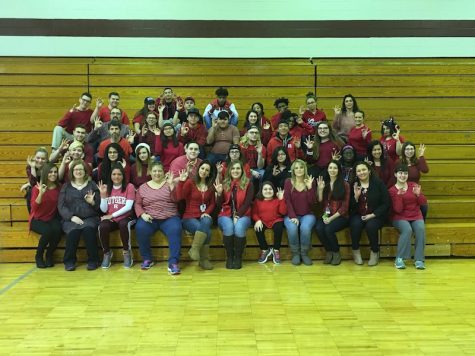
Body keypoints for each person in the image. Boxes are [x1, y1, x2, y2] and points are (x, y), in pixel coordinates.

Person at [134, 162, 182, 274]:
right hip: (150, 218)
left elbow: (176, 200)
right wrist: (142, 214)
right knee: (140, 227)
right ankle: (147, 259)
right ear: (150, 172)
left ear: (163, 172)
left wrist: (171, 187)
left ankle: (173, 262)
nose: (157, 173)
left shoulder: (170, 184)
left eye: (159, 171)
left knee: (176, 229)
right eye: (154, 171)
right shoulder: (143, 187)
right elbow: (137, 204)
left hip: (169, 217)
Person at [58, 160, 101, 271]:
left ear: (85, 171)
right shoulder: (66, 186)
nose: (78, 171)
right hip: (71, 219)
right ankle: (69, 261)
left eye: (81, 169)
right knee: (73, 232)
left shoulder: (92, 185)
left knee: (89, 231)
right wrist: (72, 217)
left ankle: (93, 260)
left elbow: (98, 206)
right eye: (76, 169)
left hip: (90, 217)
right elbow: (61, 206)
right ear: (72, 172)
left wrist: (92, 202)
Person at [176, 160, 217, 270]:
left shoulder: (211, 186)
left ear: (209, 173)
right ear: (198, 169)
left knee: (207, 221)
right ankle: (203, 259)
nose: (204, 171)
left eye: (207, 170)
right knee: (206, 231)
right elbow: (180, 197)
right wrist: (181, 182)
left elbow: (212, 203)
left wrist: (206, 212)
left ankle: (195, 249)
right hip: (189, 217)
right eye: (202, 168)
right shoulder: (190, 182)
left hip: (203, 216)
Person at [349, 161, 390, 266]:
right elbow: (349, 207)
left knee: (371, 226)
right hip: (358, 214)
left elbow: (386, 203)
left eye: (363, 170)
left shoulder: (378, 184)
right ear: (356, 173)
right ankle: (356, 251)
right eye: (359, 171)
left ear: (369, 171)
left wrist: (373, 215)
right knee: (355, 224)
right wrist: (356, 197)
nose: (361, 172)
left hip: (376, 215)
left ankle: (374, 252)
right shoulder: (353, 185)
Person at [215, 161, 254, 269]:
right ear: (229, 171)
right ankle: (230, 256)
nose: (235, 171)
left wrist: (238, 215)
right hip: (225, 213)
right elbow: (219, 205)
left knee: (239, 227)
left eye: (238, 168)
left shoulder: (248, 183)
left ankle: (238, 257)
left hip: (243, 214)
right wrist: (219, 194)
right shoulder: (224, 183)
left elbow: (247, 202)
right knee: (229, 226)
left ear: (242, 171)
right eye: (233, 169)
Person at [389, 164, 427, 270]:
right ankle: (399, 259)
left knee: (420, 229)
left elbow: (423, 203)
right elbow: (397, 210)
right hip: (399, 217)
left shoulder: (413, 185)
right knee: (407, 230)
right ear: (395, 174)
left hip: (416, 215)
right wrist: (399, 196)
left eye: (405, 173)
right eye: (400, 173)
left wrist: (419, 195)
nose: (403, 175)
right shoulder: (392, 190)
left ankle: (419, 259)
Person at [98, 163, 136, 269]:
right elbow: (104, 209)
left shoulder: (129, 186)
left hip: (127, 217)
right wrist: (103, 195)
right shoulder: (106, 187)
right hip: (112, 219)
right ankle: (107, 253)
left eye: (119, 174)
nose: (116, 176)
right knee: (103, 226)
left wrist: (111, 215)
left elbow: (128, 207)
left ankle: (126, 252)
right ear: (110, 176)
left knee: (124, 224)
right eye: (114, 174)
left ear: (123, 175)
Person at [315, 161, 350, 266]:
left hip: (340, 216)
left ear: (339, 170)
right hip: (326, 215)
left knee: (328, 229)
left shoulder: (345, 184)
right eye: (330, 168)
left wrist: (331, 219)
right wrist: (320, 190)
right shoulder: (324, 183)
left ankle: (336, 252)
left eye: (335, 168)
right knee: (318, 228)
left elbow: (345, 207)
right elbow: (319, 203)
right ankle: (329, 250)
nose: (332, 170)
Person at [283, 159, 316, 266]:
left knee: (305, 228)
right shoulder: (288, 182)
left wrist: (310, 188)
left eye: (301, 167)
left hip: (308, 214)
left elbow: (312, 203)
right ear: (293, 170)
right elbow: (287, 200)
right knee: (292, 228)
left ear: (304, 169)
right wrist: (293, 216)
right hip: (291, 214)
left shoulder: (310, 181)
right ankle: (295, 253)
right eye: (296, 168)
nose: (299, 170)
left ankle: (304, 253)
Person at [29, 163, 62, 268]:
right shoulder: (37, 188)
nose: (53, 174)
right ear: (45, 173)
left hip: (51, 218)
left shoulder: (59, 187)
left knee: (58, 230)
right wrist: (40, 194)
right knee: (48, 231)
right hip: (37, 219)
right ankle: (38, 256)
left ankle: (49, 255)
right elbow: (34, 208)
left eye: (55, 172)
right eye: (50, 172)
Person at [391, 141, 429, 219]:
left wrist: (421, 156)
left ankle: (419, 224)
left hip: (414, 190)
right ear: (403, 151)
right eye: (407, 149)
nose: (410, 151)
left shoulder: (417, 162)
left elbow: (425, 170)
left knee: (424, 207)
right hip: (401, 190)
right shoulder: (399, 162)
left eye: (411, 149)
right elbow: (393, 177)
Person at [252, 182, 287, 264]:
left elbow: (283, 212)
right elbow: (254, 213)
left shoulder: (277, 200)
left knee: (279, 227)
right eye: (265, 189)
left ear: (273, 190)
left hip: (276, 220)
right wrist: (257, 220)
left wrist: (281, 199)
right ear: (261, 191)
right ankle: (265, 249)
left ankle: (276, 250)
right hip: (263, 221)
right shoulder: (257, 201)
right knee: (258, 229)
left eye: (270, 189)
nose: (268, 191)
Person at [21, 147, 49, 213]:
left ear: (47, 159)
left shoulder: (49, 167)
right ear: (34, 157)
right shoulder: (29, 167)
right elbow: (33, 183)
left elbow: (46, 182)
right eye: (38, 158)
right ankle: (32, 214)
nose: (40, 160)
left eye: (43, 159)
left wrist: (28, 184)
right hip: (36, 188)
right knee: (30, 191)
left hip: (47, 187)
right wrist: (33, 168)